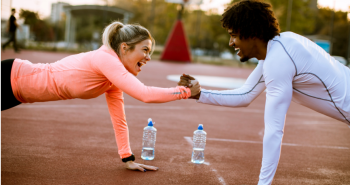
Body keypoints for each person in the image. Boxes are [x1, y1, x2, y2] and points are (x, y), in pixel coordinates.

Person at [178, 0, 350, 184]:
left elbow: (274, 130)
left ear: (252, 33)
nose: (230, 42)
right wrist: (199, 94)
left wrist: (263, 183)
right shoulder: (281, 46)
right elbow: (245, 95)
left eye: (234, 35)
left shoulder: (278, 60)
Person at [1, 21, 200, 172]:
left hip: (17, 94)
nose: (148, 57)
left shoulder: (112, 79)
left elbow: (119, 119)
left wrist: (127, 158)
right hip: (10, 76)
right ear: (124, 48)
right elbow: (144, 94)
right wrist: (185, 92)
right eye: (145, 50)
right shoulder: (105, 58)